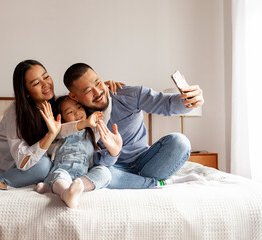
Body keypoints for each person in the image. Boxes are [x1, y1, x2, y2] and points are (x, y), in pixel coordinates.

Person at [0, 60, 122, 190]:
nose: (46, 85)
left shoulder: (60, 106)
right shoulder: (17, 111)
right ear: (26, 92)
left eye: (46, 77)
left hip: (22, 172)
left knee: (44, 166)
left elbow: (88, 120)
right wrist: (50, 133)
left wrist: (103, 90)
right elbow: (22, 161)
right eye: (36, 83)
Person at [63, 63, 205, 189]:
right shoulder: (76, 117)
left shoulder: (127, 94)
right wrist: (113, 153)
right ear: (74, 97)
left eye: (98, 83)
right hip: (114, 168)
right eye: (88, 91)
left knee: (180, 142)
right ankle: (156, 184)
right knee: (102, 173)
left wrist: (191, 101)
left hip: (146, 162)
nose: (98, 92)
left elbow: (167, 104)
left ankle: (136, 182)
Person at [36, 98, 121, 208]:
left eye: (79, 107)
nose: (77, 112)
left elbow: (105, 112)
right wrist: (82, 123)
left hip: (82, 177)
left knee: (105, 173)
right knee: (59, 176)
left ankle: (67, 189)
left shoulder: (92, 132)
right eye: (70, 112)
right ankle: (65, 193)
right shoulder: (60, 133)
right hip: (62, 172)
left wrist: (106, 90)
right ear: (61, 119)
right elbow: (63, 130)